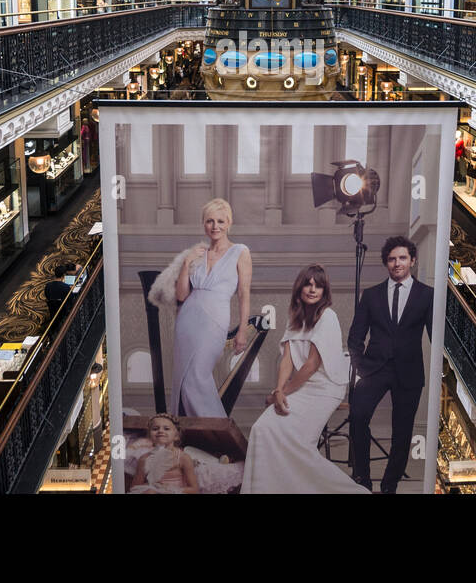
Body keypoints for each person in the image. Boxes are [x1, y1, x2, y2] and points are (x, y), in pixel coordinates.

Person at [242, 266, 368, 494]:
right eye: (307, 284)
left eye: (317, 285)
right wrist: (278, 390)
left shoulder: (328, 317)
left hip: (326, 388)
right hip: (300, 387)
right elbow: (287, 360)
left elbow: (310, 365)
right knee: (263, 428)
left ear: (324, 290)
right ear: (299, 287)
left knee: (299, 445)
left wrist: (283, 393)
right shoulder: (295, 317)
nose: (312, 289)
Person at [347, 235, 434, 494]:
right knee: (358, 416)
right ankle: (362, 477)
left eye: (403, 258)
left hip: (409, 372)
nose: (397, 263)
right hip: (374, 369)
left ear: (413, 260)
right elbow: (355, 336)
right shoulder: (371, 295)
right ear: (386, 262)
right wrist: (360, 365)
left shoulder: (427, 295)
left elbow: (436, 335)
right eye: (392, 259)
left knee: (402, 432)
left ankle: (389, 485)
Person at [169, 199, 253, 417]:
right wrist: (186, 264)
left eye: (220, 221)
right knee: (184, 380)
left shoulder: (240, 252)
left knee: (197, 376)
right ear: (203, 224)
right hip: (187, 321)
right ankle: (193, 437)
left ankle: (216, 435)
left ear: (229, 223)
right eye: (209, 221)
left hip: (215, 319)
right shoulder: (197, 253)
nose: (215, 226)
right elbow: (181, 295)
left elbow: (244, 294)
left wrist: (242, 330)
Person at [128, 413, 199, 494]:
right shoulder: (144, 459)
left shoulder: (182, 458)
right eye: (155, 429)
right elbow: (134, 488)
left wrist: (169, 490)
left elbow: (194, 489)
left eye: (166, 429)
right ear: (149, 435)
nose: (160, 431)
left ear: (176, 436)